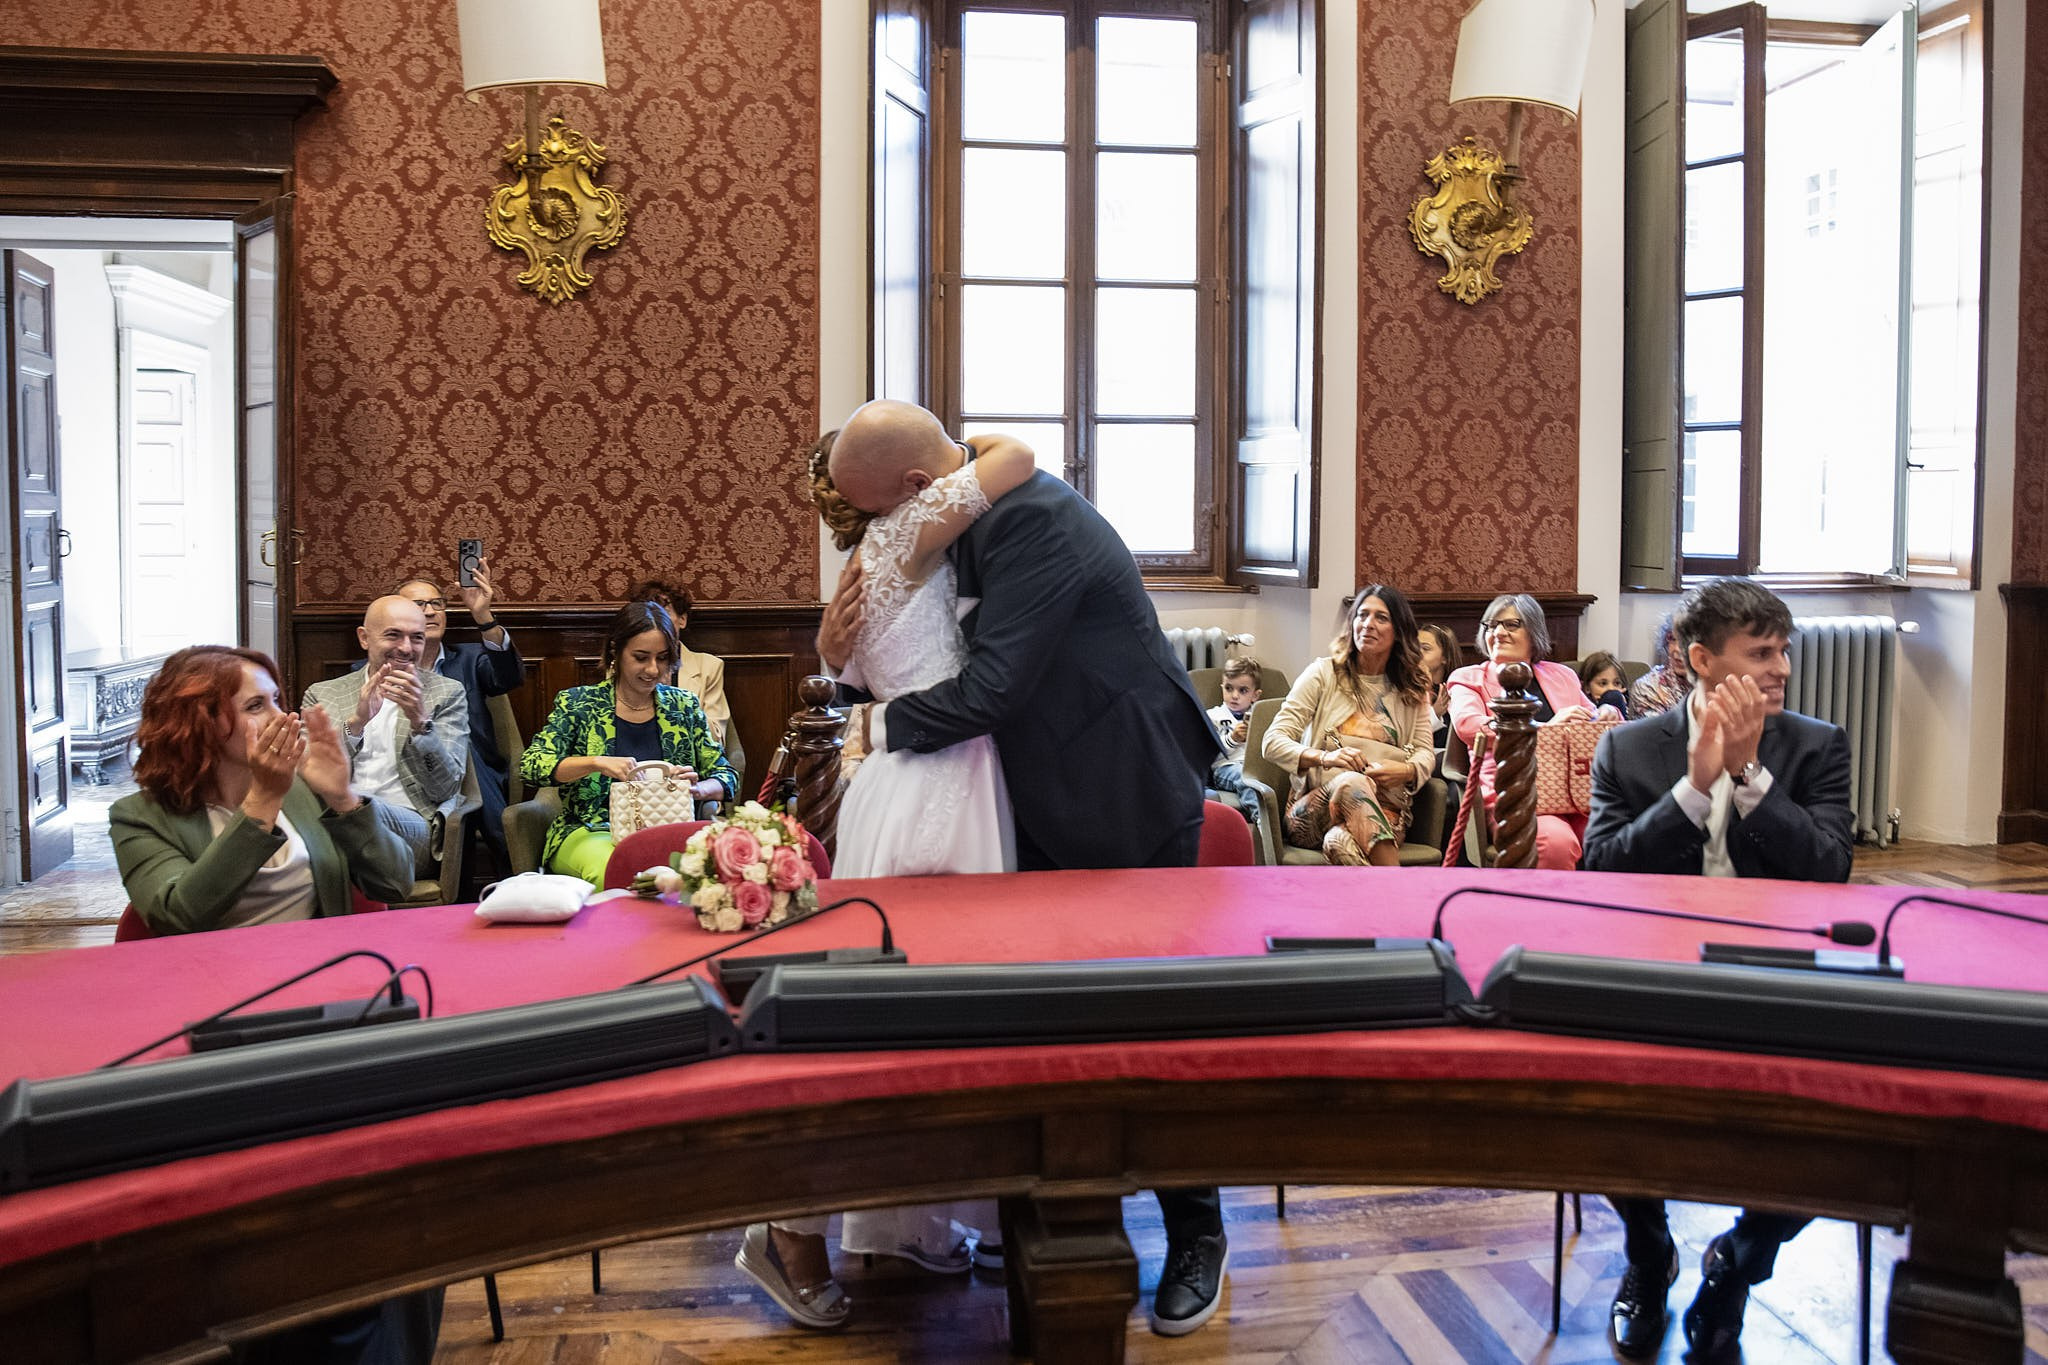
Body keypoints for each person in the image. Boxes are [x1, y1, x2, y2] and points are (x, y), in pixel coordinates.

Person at [815, 399, 1229, 1338]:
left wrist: (875, 725)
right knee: (1044, 1017)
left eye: (880, 510)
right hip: (1026, 794)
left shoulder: (1032, 519)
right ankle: (1054, 1214)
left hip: (1120, 788)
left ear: (923, 490)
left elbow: (997, 684)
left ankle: (1196, 1232)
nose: (881, 531)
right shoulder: (959, 509)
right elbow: (897, 628)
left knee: (1152, 1018)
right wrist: (842, 657)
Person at [735, 423, 1038, 1332]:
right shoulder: (907, 528)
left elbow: (853, 668)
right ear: (914, 480)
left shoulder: (869, 557)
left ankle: (897, 1218)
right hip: (937, 775)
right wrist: (973, 444)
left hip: (912, 774)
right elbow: (1018, 457)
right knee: (900, 1019)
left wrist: (833, 656)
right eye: (942, 454)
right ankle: (786, 1223)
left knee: (920, 1017)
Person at [109, 645, 437, 1361]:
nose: (282, 714)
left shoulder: (302, 790)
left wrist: (344, 797)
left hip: (329, 1021)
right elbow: (177, 915)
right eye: (257, 704)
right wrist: (260, 800)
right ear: (204, 721)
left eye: (277, 698)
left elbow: (395, 877)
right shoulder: (141, 817)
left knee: (412, 1186)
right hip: (213, 1040)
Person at [1582, 577, 1854, 1359]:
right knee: (1596, 1096)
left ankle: (1739, 1262)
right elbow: (1600, 873)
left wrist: (1750, 778)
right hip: (1653, 977)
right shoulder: (1628, 749)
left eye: (1784, 651)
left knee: (1841, 1125)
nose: (1783, 669)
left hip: (1785, 977)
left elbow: (1829, 870)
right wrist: (1695, 786)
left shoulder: (1814, 746)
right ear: (1702, 659)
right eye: (1761, 653)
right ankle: (1646, 1249)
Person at [518, 601, 738, 886]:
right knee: (616, 869)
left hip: (668, 831)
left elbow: (726, 776)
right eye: (641, 657)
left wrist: (696, 790)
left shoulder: (683, 706)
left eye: (662, 658)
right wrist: (595, 763)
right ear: (616, 652)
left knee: (723, 866)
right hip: (592, 830)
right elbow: (532, 766)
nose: (652, 669)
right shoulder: (579, 704)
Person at [1262, 586, 1435, 865]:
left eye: (1381, 618)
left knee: (1338, 842)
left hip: (1386, 810)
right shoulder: (1323, 673)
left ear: (1399, 631)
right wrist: (1325, 757)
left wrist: (1406, 770)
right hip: (1312, 811)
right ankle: (1405, 894)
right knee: (1351, 782)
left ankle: (1371, 908)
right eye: (1362, 615)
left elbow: (1426, 752)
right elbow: (1272, 742)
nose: (1368, 624)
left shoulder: (1411, 687)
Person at [1444, 594, 1618, 871]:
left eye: (1512, 624)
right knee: (1556, 843)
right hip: (1514, 794)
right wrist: (1544, 729)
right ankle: (1549, 914)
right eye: (1491, 625)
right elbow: (1468, 725)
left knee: (1619, 836)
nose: (1499, 632)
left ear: (1534, 630)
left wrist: (1607, 714)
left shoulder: (1562, 675)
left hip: (1575, 792)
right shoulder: (1468, 678)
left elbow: (1593, 717)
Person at [301, 596, 471, 877]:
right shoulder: (323, 694)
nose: (406, 648)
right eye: (393, 635)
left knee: (358, 811)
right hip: (332, 819)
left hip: (412, 824)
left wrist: (420, 722)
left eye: (417, 638)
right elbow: (310, 778)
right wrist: (357, 723)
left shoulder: (446, 693)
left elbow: (445, 788)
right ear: (364, 638)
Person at [388, 566, 522, 863]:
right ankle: (514, 866)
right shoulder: (371, 673)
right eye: (419, 605)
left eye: (437, 603)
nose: (432, 611)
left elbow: (509, 678)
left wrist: (483, 616)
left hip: (474, 776)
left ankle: (514, 872)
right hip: (407, 772)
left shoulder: (471, 660)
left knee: (466, 754)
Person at [626, 578, 730, 743]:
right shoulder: (624, 664)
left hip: (690, 762)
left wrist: (670, 698)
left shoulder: (708, 667)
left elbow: (717, 738)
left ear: (682, 619)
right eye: (648, 615)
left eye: (663, 613)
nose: (655, 622)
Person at [1206, 645, 1264, 822]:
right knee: (1245, 778)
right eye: (1229, 688)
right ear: (1222, 687)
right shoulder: (1213, 716)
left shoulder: (1260, 715)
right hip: (1225, 768)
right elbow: (1209, 754)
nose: (1235, 695)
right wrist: (1232, 739)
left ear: (1255, 695)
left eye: (1243, 690)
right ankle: (1264, 823)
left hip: (1255, 766)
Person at [1626, 611, 1690, 720]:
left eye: (1687, 641)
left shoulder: (1719, 681)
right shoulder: (1648, 687)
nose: (1677, 649)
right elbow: (1661, 734)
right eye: (1673, 639)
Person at [1417, 622, 1463, 746]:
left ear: (1445, 657)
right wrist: (1435, 713)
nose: (1417, 653)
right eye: (1415, 648)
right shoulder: (1406, 689)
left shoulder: (1458, 691)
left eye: (1425, 648)